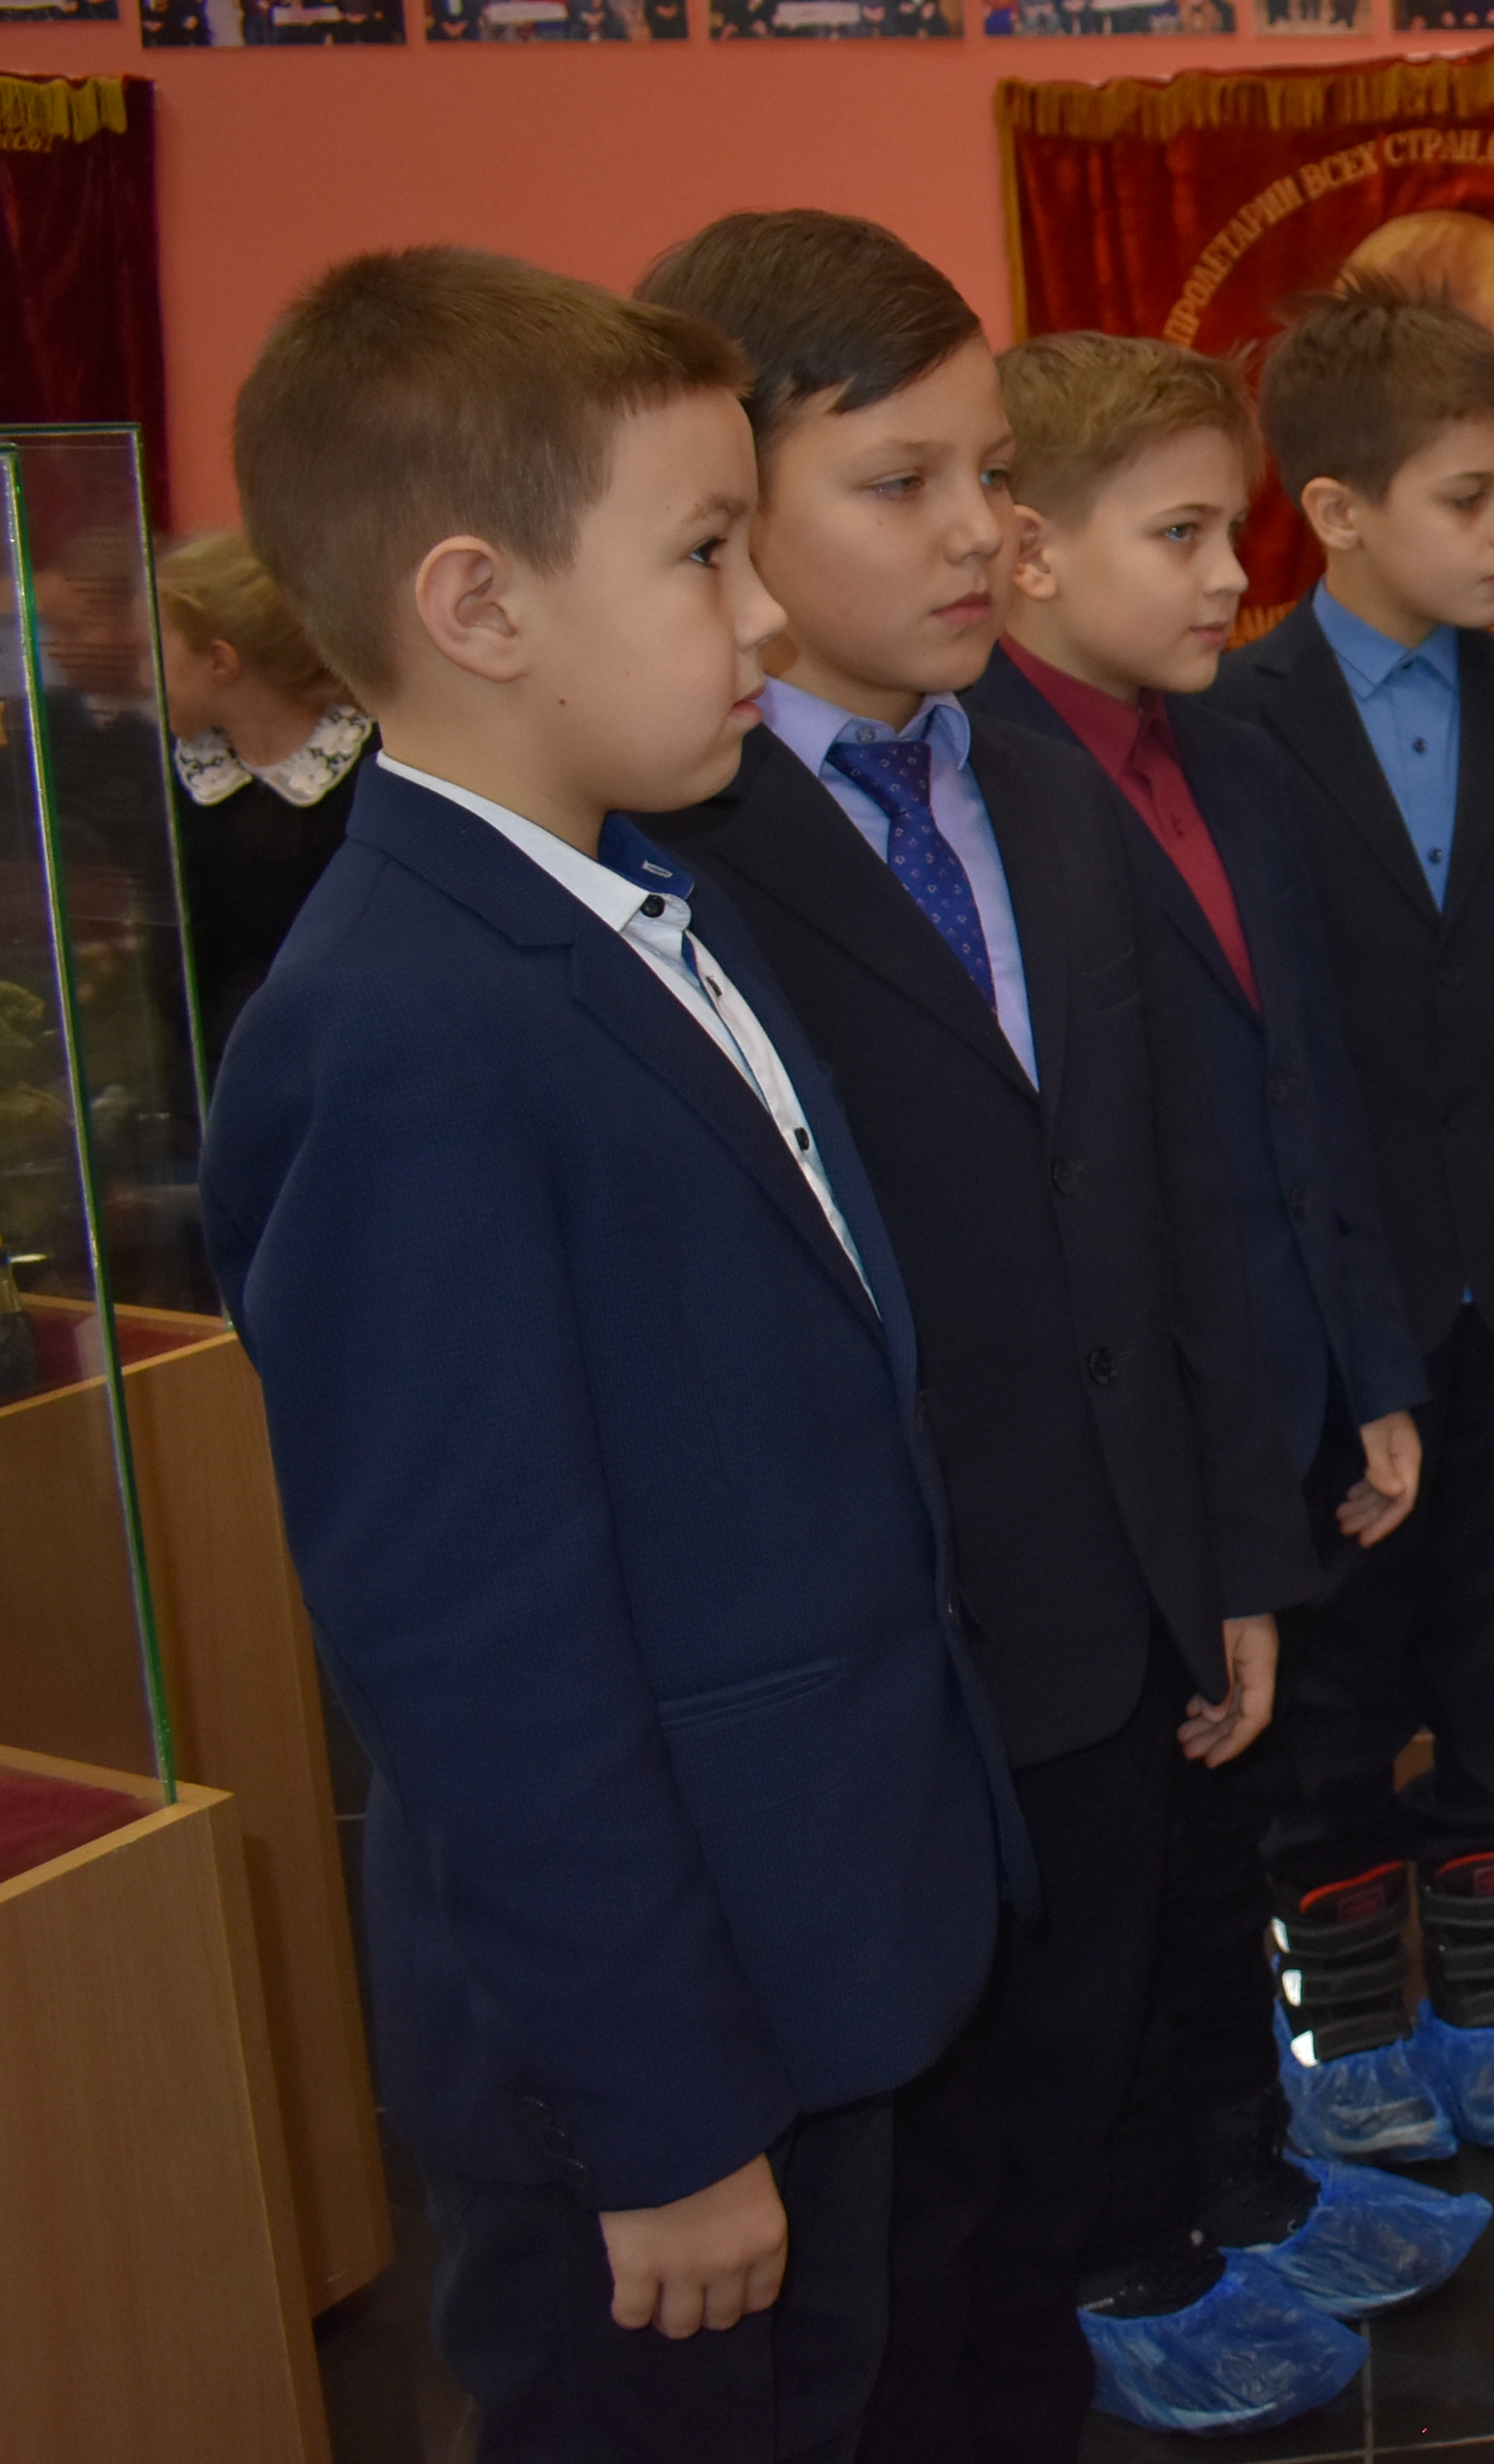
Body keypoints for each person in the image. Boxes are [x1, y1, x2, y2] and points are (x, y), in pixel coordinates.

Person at [202, 246, 1015, 2460]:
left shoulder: (651, 894)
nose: (761, 617)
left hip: (821, 1942)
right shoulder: (396, 1034)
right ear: (480, 606)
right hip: (662, 2061)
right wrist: (659, 2117)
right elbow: (479, 1658)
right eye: (702, 553)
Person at [633, 210, 1339, 2461]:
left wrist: (1220, 1555)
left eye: (994, 479)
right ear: (727, 498)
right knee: (898, 2248)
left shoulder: (1038, 780)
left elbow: (1162, 1206)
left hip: (1102, 1629)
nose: (979, 534)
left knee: (1050, 2158)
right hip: (872, 1684)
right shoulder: (674, 852)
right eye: (902, 482)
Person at [977, 331, 1494, 2430]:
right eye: (1180, 535)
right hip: (1134, 1434)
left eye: (1234, 530)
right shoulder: (995, 792)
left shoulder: (1231, 763)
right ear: (1027, 551)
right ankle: (1134, 2239)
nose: (1229, 578)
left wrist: (1371, 1367)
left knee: (1236, 1826)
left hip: (1271, 1391)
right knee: (1133, 1856)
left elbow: (1307, 1106)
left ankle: (1247, 2172)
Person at [1207, 276, 1494, 2157]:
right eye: (1468, 498)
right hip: (1340, 1316)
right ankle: (1339, 2001)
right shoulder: (1230, 727)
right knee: (1336, 1667)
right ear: (1333, 511)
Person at [153, 525, 372, 1081]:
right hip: (227, 1078)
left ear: (220, 661)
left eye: (156, 647)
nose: (142, 673)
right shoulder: (183, 781)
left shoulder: (378, 773)